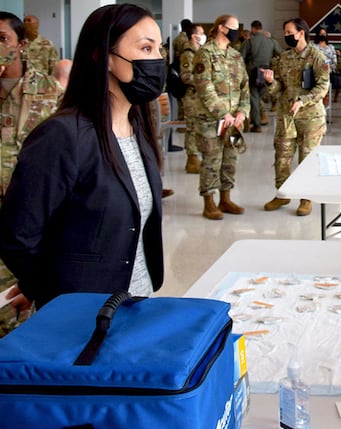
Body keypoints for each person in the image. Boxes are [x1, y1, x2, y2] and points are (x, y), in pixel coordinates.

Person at [0, 4, 167, 316]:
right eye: (146, 48)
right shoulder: (62, 135)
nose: (157, 60)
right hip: (84, 316)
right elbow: (18, 236)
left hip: (136, 303)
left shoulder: (138, 128)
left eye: (159, 49)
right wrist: (49, 290)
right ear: (103, 56)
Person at [0, 11, 63, 337]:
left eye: (2, 39)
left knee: (23, 328)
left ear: (22, 45)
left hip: (30, 224)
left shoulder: (50, 91)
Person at [261, 18, 328, 217]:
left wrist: (302, 100)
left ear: (301, 33)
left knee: (307, 158)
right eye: (285, 32)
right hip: (286, 116)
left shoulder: (317, 56)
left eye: (290, 31)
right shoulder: (283, 58)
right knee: (282, 156)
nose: (286, 35)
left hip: (310, 117)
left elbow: (323, 86)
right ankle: (283, 194)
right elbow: (278, 88)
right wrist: (271, 82)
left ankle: (306, 198)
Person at [192, 14, 250, 220]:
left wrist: (242, 111)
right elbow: (204, 87)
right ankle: (209, 202)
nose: (236, 31)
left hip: (234, 122)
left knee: (230, 160)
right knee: (211, 161)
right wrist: (222, 113)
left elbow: (245, 86)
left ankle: (225, 199)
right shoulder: (205, 54)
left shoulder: (235, 55)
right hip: (211, 121)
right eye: (233, 27)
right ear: (221, 28)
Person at [241, 20, 282, 132]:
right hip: (267, 73)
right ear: (261, 28)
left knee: (254, 99)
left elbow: (240, 58)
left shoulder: (249, 42)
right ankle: (258, 120)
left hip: (253, 73)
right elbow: (281, 54)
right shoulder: (271, 41)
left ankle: (257, 125)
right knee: (259, 98)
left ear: (253, 29)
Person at [179, 23, 205, 174]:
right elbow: (186, 75)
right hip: (192, 96)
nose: (203, 35)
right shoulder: (187, 53)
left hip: (199, 96)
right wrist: (203, 81)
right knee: (192, 128)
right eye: (201, 33)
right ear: (194, 36)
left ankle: (195, 158)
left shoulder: (198, 51)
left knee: (197, 128)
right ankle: (192, 160)